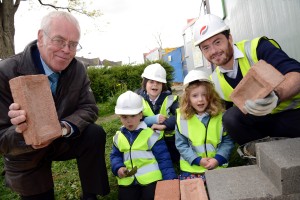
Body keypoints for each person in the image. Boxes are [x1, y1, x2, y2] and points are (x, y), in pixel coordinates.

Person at [0, 11, 110, 200]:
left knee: (94, 133)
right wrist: (23, 132)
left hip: (61, 139)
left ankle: (91, 195)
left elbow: (89, 107)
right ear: (41, 37)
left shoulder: (77, 69)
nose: (67, 50)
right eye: (59, 40)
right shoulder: (7, 71)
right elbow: (1, 139)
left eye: (73, 44)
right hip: (26, 154)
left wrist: (63, 128)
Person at [193, 14, 300, 145]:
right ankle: (261, 155)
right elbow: (219, 112)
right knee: (230, 118)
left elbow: (296, 75)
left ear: (229, 38)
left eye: (217, 42)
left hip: (293, 115)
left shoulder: (256, 49)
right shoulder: (214, 80)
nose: (214, 51)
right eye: (206, 47)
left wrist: (276, 96)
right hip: (264, 124)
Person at [110, 91, 177, 200]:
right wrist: (118, 168)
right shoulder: (118, 137)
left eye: (133, 115)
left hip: (151, 179)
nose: (129, 120)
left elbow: (163, 158)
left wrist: (170, 179)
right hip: (128, 180)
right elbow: (115, 156)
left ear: (141, 114)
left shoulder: (151, 134)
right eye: (124, 117)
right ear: (119, 117)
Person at [175, 69, 234, 180]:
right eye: (195, 96)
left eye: (204, 95)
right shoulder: (181, 118)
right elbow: (181, 144)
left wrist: (218, 159)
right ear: (187, 98)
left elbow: (228, 141)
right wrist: (197, 160)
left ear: (211, 96)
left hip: (217, 165)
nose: (200, 100)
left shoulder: (221, 116)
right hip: (191, 168)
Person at [135, 63, 180, 164]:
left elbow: (181, 115)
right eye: (151, 82)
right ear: (145, 83)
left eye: (158, 82)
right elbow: (132, 120)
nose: (155, 85)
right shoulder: (137, 99)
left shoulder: (171, 99)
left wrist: (165, 125)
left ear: (163, 85)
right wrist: (153, 119)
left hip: (168, 141)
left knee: (173, 160)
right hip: (145, 140)